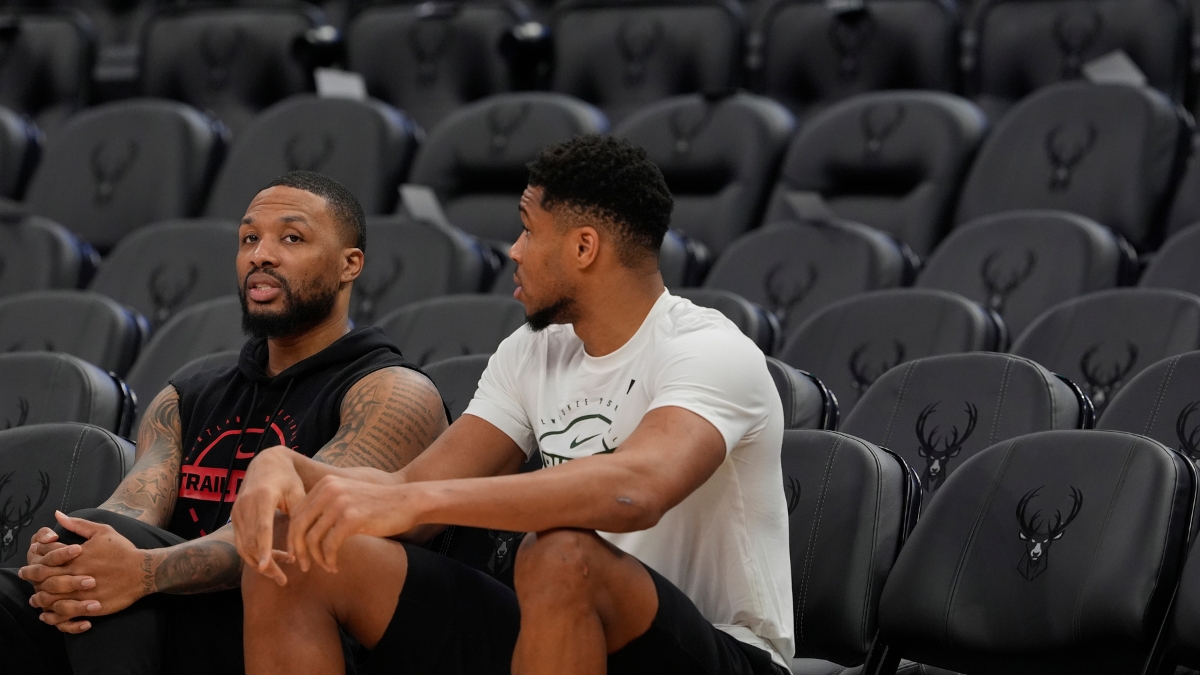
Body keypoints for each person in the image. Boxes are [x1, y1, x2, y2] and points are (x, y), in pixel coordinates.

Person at [233, 136, 794, 675]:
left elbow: (635, 491)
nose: (513, 251)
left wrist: (420, 501)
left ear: (583, 247)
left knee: (560, 553)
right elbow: (409, 491)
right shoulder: (533, 349)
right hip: (556, 628)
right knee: (295, 552)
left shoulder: (709, 348)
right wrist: (287, 466)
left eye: (527, 231)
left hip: (719, 650)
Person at [0, 171, 448, 675]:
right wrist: (69, 554)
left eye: (292, 238)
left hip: (293, 629)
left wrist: (144, 571)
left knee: (120, 595)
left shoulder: (390, 393)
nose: (261, 254)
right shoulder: (185, 394)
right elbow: (131, 510)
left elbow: (297, 539)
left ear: (350, 265)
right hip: (169, 620)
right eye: (249, 238)